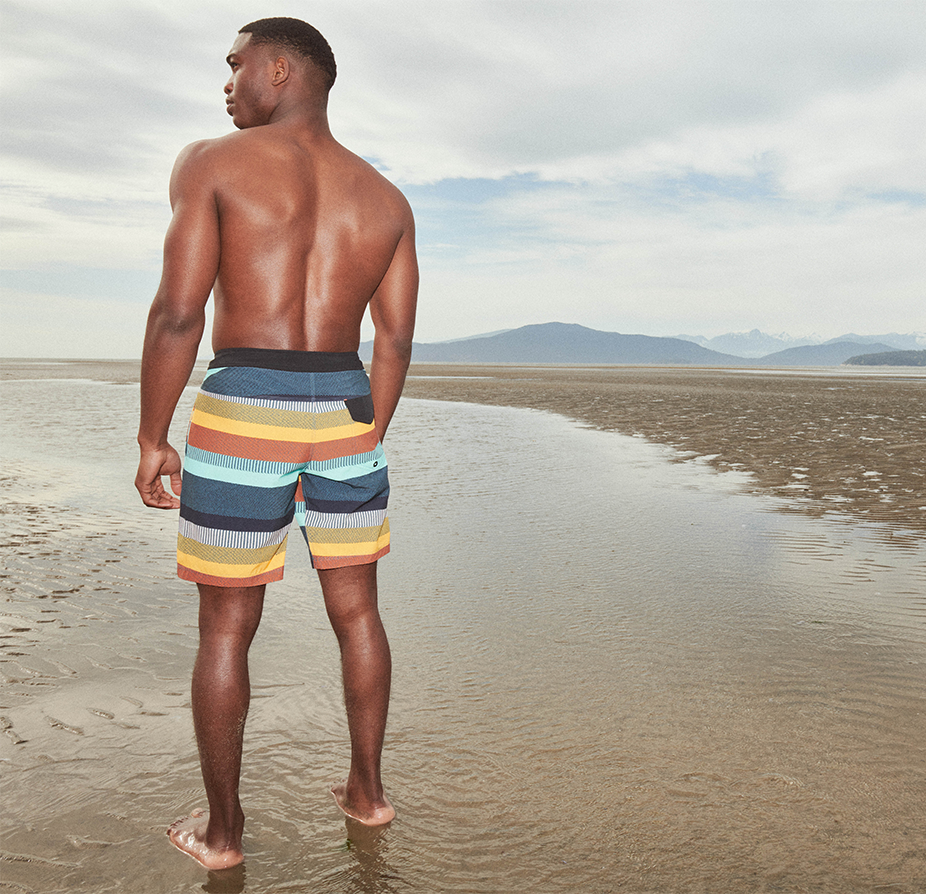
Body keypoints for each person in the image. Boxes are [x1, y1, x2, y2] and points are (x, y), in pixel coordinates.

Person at [134, 17, 417, 871]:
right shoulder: (385, 197)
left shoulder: (211, 164)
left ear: (281, 68)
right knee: (358, 609)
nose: (226, 84)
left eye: (236, 65)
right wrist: (368, 427)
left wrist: (153, 437)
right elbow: (395, 340)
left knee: (227, 626)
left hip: (247, 401)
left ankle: (224, 838)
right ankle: (367, 796)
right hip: (345, 404)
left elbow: (179, 313)